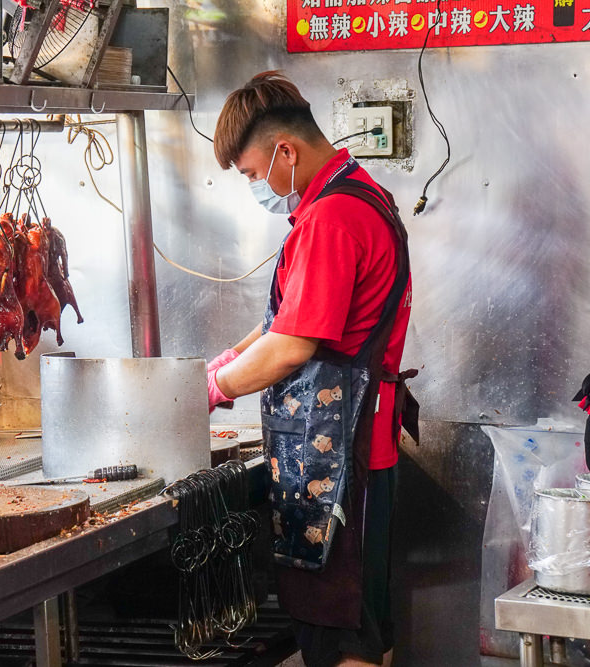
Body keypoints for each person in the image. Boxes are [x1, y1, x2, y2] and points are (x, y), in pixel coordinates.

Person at [206, 71, 416, 667]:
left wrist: (213, 389)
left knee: (344, 635)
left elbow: (292, 346)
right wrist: (229, 359)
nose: (256, 186)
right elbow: (286, 321)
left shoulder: (331, 219)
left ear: (286, 152)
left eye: (252, 173)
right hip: (348, 447)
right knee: (359, 626)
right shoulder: (354, 194)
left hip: (341, 458)